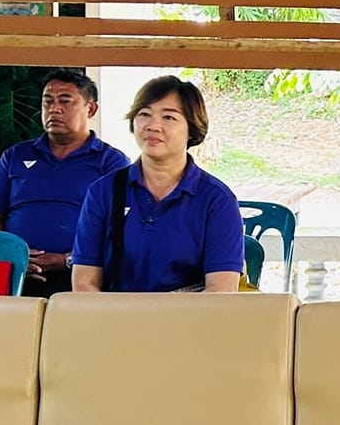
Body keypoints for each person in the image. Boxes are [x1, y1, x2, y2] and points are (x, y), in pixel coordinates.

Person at [69, 75, 244, 293]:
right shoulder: (104, 191)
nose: (153, 126)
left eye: (169, 117)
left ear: (192, 128)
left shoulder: (217, 200)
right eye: (144, 114)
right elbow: (84, 283)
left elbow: (221, 291)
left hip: (191, 314)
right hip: (115, 313)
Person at [0, 70, 130, 297]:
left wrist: (69, 259)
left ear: (91, 109)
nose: (54, 109)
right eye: (48, 101)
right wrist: (9, 254)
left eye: (65, 101)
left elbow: (121, 224)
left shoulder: (111, 161)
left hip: (80, 272)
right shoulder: (16, 155)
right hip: (15, 269)